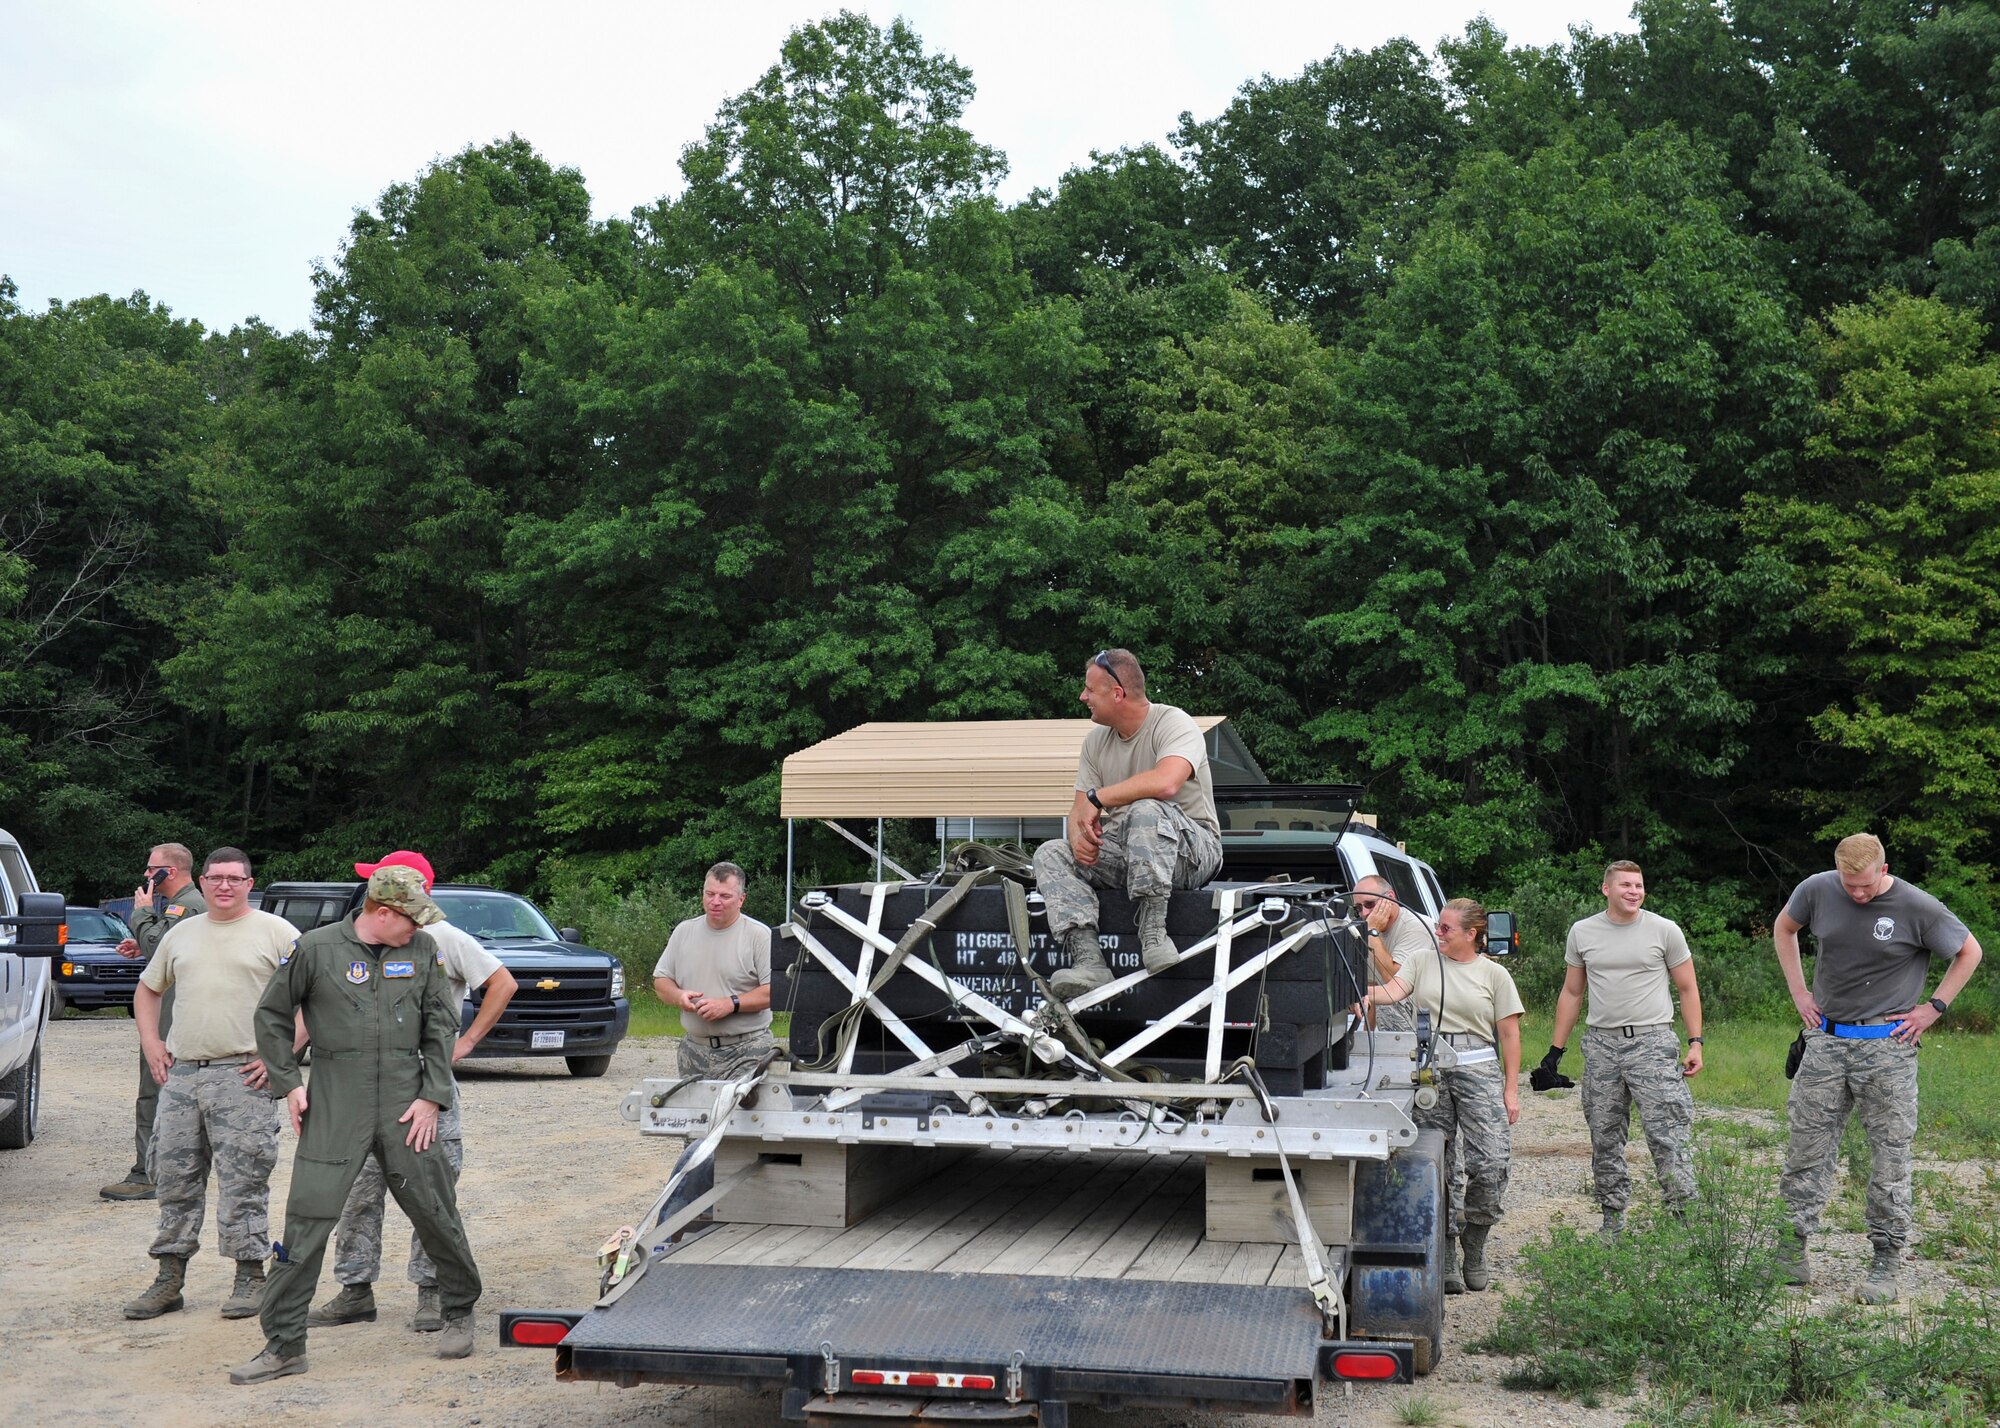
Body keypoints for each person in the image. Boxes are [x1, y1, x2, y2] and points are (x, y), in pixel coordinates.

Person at [232, 865, 482, 1384]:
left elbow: (440, 1025)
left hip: (405, 1100)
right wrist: (291, 1084)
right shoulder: (316, 949)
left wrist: (433, 1095)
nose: (418, 928)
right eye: (411, 919)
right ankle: (283, 1345)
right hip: (334, 1098)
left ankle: (458, 1310)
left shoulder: (421, 951)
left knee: (435, 1209)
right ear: (382, 912)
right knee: (306, 1220)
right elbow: (272, 1017)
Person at [308, 850, 518, 1335]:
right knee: (359, 1190)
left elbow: (502, 982)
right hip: (365, 1087)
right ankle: (355, 1289)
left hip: (426, 1086)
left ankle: (432, 1291)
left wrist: (464, 1044)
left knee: (431, 1193)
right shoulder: (359, 939)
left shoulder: (440, 938)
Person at [1773, 832, 1983, 1305]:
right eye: (1850, 885)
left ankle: (1885, 1259)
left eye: (1866, 886)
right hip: (1825, 1041)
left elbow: (1970, 951)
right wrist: (1798, 992)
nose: (1858, 894)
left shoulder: (1918, 906)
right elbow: (1784, 929)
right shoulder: (1817, 889)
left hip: (1887, 1050)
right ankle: (1792, 1248)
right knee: (1806, 1148)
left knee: (1889, 1157)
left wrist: (1934, 1008)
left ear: (1883, 870)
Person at [121, 848, 298, 1323]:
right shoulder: (181, 933)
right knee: (174, 1179)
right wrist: (151, 1040)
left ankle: (249, 1276)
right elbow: (148, 988)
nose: (224, 886)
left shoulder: (277, 933)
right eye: (216, 878)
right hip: (183, 1074)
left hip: (242, 1075)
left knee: (244, 1179)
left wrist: (279, 1055)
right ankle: (169, 1278)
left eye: (234, 879)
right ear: (200, 882)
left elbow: (316, 998)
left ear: (249, 883)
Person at [1031, 649, 1223, 998]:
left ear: (1117, 694)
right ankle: (1089, 962)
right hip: (1130, 855)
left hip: (1192, 853)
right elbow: (1078, 813)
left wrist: (1099, 799)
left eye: (1090, 690)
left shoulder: (1173, 722)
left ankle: (1153, 932)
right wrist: (1080, 841)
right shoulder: (1095, 742)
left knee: (1146, 808)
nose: (1082, 697)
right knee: (1050, 852)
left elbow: (1167, 783)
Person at [1361, 898, 1522, 1295]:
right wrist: (1354, 992)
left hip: (1478, 1065)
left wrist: (1511, 1088)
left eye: (1447, 929)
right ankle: (1447, 1247)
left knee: (1492, 1161)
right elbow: (1391, 992)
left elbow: (1509, 1034)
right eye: (1439, 926)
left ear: (1472, 934)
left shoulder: (1494, 975)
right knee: (1438, 1159)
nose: (1439, 933)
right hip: (1432, 1067)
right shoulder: (1422, 961)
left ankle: (1476, 1238)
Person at [1536, 860, 1703, 1236]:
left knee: (1667, 1134)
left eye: (1639, 885)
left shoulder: (1664, 930)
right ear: (1606, 889)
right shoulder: (1583, 932)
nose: (1634, 891)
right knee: (1605, 1134)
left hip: (1653, 1042)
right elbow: (1573, 991)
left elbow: (1688, 988)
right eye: (1626, 885)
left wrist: (1696, 1042)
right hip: (1601, 1045)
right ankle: (1612, 1219)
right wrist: (1554, 1051)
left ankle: (1684, 1224)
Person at [101, 842, 206, 1201]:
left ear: (169, 872)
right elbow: (165, 946)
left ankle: (146, 1174)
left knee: (154, 1091)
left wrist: (142, 914)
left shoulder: (187, 905)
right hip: (178, 1014)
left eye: (151, 870)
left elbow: (160, 941)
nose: (147, 876)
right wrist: (142, 944)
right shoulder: (185, 906)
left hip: (171, 1018)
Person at [653, 862, 777, 1080]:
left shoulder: (759, 936)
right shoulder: (684, 932)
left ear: (741, 899)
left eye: (724, 896)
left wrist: (731, 1004)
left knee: (741, 1114)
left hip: (747, 1051)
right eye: (709, 894)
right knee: (694, 1115)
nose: (715, 902)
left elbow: (774, 991)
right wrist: (679, 996)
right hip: (694, 1051)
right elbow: (662, 981)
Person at [1354, 875, 1434, 1033]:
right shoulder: (1370, 931)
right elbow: (1372, 990)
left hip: (1424, 1026)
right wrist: (1366, 1038)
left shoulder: (1416, 928)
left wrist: (1371, 934)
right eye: (1358, 908)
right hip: (1393, 1029)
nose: (1364, 913)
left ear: (1390, 898)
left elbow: (1395, 984)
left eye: (1370, 904)